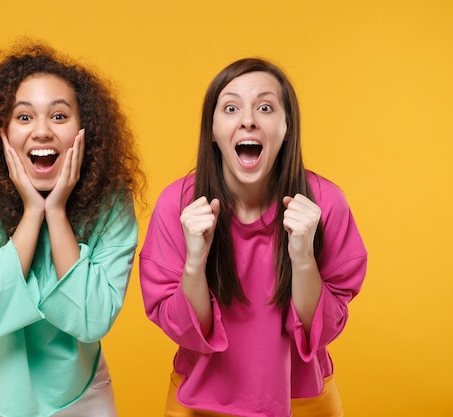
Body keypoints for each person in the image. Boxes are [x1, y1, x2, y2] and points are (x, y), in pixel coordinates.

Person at [139, 58, 367, 417]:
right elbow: (181, 328)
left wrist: (304, 258)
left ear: (287, 127)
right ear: (212, 130)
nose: (248, 120)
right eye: (231, 107)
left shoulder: (325, 204)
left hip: (303, 400)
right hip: (198, 403)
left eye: (265, 107)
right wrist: (195, 262)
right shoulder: (177, 205)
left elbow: (322, 330)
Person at [0, 40, 144, 417]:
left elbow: (93, 318)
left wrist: (56, 212)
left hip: (81, 395)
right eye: (24, 117)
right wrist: (33, 212)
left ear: (84, 130)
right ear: (3, 132)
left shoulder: (111, 203)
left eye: (59, 116)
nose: (42, 131)